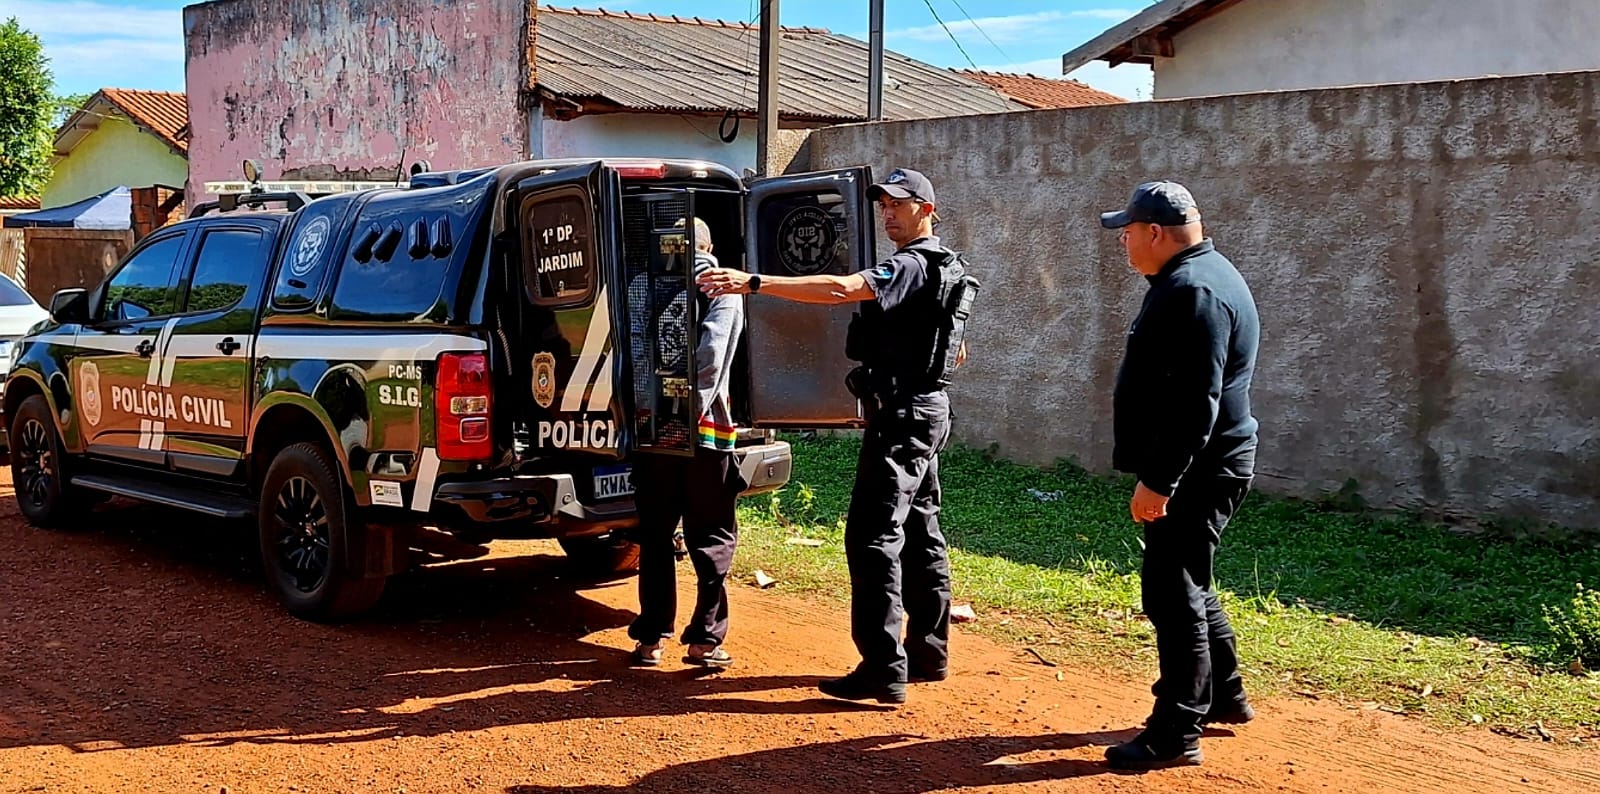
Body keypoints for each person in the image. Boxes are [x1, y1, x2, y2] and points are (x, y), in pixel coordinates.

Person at [697, 167, 970, 705]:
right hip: (927, 409)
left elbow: (843, 288)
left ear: (927, 210)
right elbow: (954, 349)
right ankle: (929, 653)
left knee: (872, 538)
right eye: (883, 205)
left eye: (899, 204)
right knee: (921, 532)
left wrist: (753, 282)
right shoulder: (948, 267)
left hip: (902, 418)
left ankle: (883, 669)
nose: (888, 212)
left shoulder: (911, 264)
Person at [1097, 181, 1261, 769]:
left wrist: (1160, 481)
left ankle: (1175, 732)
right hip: (1206, 460)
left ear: (1156, 233)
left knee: (1171, 594)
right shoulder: (1200, 274)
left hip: (1198, 468)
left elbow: (1198, 403)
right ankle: (1225, 698)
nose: (1124, 242)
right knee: (1188, 578)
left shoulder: (1193, 290)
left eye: (1128, 232)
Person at [628, 216, 747, 670]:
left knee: (655, 534)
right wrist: (689, 409)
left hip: (653, 429)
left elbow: (636, 351)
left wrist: (653, 409)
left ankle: (650, 640)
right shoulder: (723, 287)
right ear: (709, 244)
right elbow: (713, 358)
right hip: (707, 433)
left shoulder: (643, 283)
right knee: (711, 534)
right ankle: (704, 641)